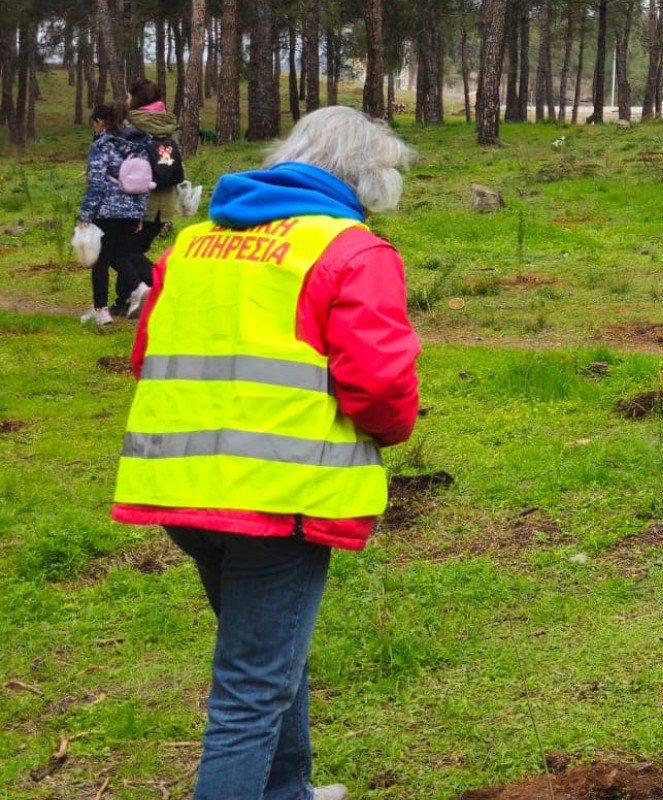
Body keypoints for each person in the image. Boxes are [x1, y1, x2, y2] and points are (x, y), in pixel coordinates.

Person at [111, 106, 421, 800]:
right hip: (279, 500)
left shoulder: (191, 246)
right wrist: (388, 429)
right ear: (365, 178)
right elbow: (381, 388)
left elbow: (146, 357)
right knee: (252, 689)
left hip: (181, 490)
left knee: (270, 657)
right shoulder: (349, 251)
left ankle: (288, 791)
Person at [76, 102, 153, 326]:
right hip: (131, 212)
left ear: (100, 122)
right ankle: (138, 287)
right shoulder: (140, 145)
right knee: (119, 254)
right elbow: (144, 181)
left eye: (95, 124)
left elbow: (96, 184)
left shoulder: (102, 145)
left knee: (100, 260)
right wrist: (139, 213)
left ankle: (101, 311)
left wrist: (85, 214)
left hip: (106, 211)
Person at [127, 78, 181, 317]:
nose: (126, 101)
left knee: (125, 251)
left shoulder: (134, 127)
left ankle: (165, 290)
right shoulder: (168, 126)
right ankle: (126, 299)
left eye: (129, 97)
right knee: (134, 248)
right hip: (165, 203)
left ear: (137, 100)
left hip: (140, 202)